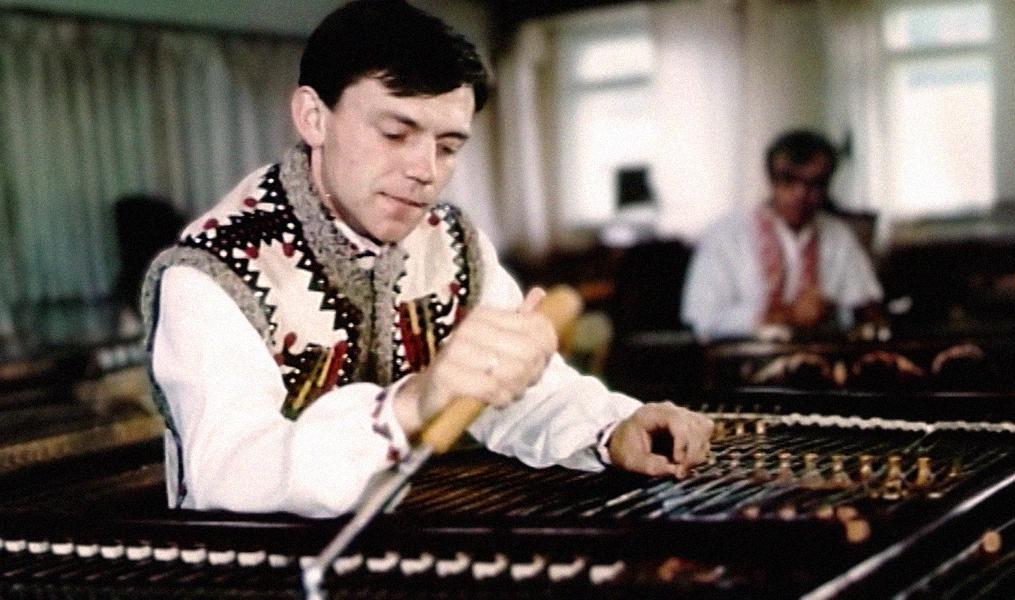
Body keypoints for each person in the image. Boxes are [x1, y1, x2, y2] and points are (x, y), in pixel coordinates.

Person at [141, 0, 712, 518]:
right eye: (396, 133)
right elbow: (231, 468)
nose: (425, 171)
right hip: (246, 569)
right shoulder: (210, 271)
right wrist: (413, 403)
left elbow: (519, 393)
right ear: (313, 117)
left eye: (447, 146)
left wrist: (612, 427)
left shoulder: (452, 243)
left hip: (402, 546)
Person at [681, 130, 883, 342]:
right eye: (789, 180)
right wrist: (781, 315)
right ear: (771, 180)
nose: (801, 194)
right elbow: (701, 319)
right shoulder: (726, 235)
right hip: (743, 361)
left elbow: (867, 308)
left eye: (814, 184)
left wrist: (834, 310)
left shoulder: (838, 236)